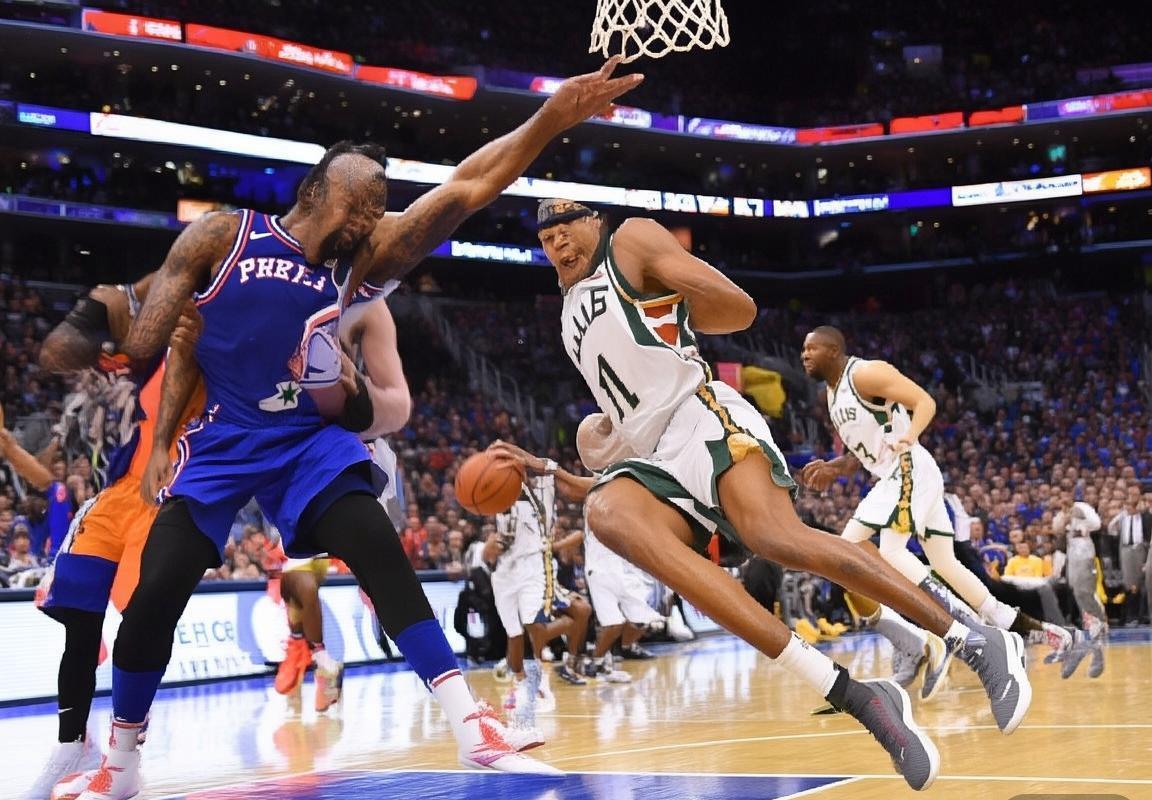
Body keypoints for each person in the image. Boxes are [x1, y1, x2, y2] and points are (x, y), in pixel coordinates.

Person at [62, 61, 641, 800]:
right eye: (361, 203)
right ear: (315, 192)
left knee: (375, 546)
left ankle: (473, 728)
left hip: (307, 442)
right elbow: (165, 346)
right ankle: (121, 763)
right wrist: (154, 420)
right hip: (222, 441)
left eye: (379, 208)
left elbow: (467, 186)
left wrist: (553, 117)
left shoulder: (360, 264)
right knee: (154, 598)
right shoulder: (221, 236)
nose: (370, 219)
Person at [505, 198, 1032, 791]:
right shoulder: (568, 314)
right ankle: (860, 697)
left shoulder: (630, 241)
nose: (557, 243)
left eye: (567, 228)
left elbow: (739, 309)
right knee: (606, 512)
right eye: (546, 239)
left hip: (701, 416)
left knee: (777, 539)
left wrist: (673, 295)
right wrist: (558, 464)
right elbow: (626, 419)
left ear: (595, 223)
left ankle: (975, 640)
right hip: (655, 456)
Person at [18, 277, 206, 800]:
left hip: (169, 489)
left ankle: (125, 757)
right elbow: (62, 353)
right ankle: (70, 745)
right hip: (117, 490)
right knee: (79, 618)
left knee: (140, 621)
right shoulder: (128, 357)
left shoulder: (204, 343)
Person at [799, 326, 1074, 663]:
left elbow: (924, 401)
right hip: (898, 475)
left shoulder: (866, 373)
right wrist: (837, 467)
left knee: (881, 550)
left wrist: (910, 435)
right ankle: (1031, 628)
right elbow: (867, 450)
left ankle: (958, 633)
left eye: (811, 349)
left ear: (833, 350)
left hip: (908, 468)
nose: (804, 355)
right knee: (941, 562)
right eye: (803, 350)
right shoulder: (831, 394)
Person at [483, 468, 591, 744]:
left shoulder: (540, 499)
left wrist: (554, 546)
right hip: (510, 574)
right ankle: (523, 682)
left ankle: (554, 672)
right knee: (517, 634)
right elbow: (491, 552)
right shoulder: (503, 506)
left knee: (543, 624)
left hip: (539, 571)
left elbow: (578, 534)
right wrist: (491, 549)